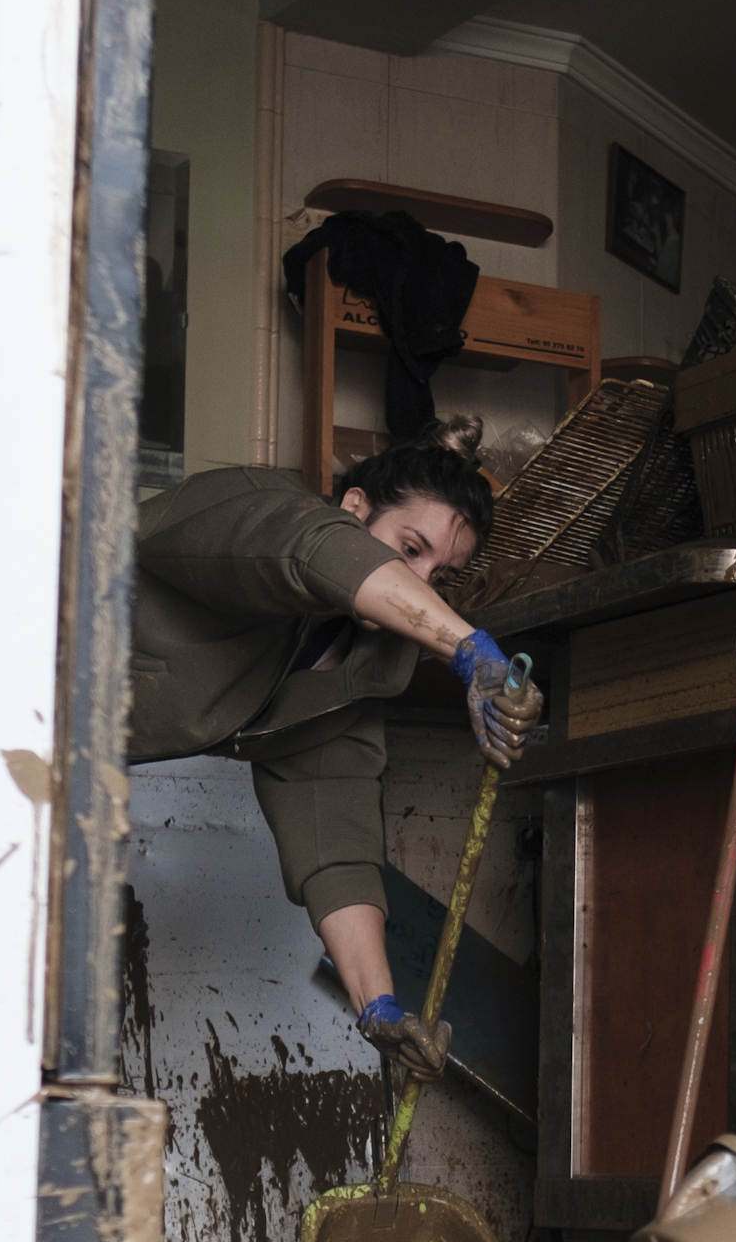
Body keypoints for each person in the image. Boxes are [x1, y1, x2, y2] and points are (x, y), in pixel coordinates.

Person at [127, 439, 545, 1082]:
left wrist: (378, 1007)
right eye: (410, 551)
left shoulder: (362, 668)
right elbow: (305, 546)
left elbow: (334, 833)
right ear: (354, 508)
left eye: (442, 576)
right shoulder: (254, 505)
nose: (421, 583)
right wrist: (469, 650)